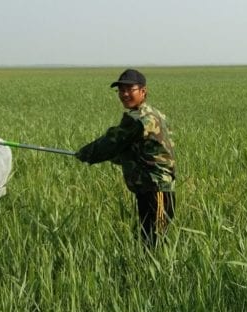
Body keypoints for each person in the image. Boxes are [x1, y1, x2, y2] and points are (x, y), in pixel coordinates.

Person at [75, 69, 176, 247]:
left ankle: (161, 274)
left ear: (143, 91)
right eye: (121, 90)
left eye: (130, 89)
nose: (124, 94)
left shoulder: (140, 119)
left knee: (157, 242)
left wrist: (85, 154)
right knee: (148, 239)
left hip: (157, 188)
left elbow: (112, 142)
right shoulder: (152, 113)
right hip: (147, 187)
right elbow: (134, 150)